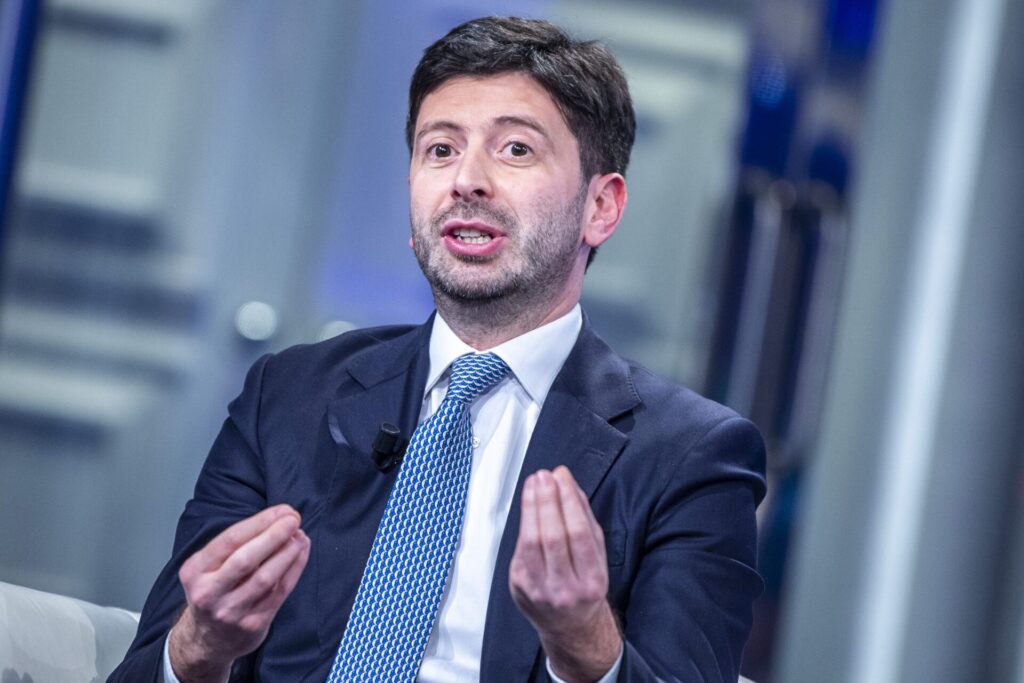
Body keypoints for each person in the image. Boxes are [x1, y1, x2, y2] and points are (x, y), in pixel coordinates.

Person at [111, 16, 765, 683]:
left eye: (516, 149)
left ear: (601, 206)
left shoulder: (693, 457)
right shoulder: (288, 396)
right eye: (441, 149)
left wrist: (584, 643)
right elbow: (144, 668)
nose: (466, 180)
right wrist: (200, 644)